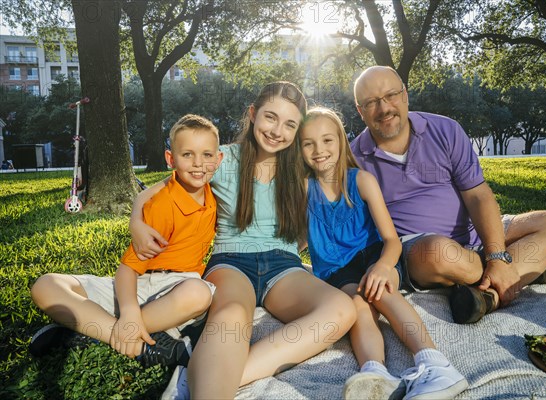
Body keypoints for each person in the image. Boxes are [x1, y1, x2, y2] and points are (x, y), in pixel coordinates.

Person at [129, 82, 356, 399]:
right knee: (232, 316)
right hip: (231, 262)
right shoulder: (222, 160)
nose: (277, 130)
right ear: (253, 114)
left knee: (342, 309)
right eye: (270, 118)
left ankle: (211, 373)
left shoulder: (301, 170)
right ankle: (211, 385)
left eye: (290, 124)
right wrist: (137, 223)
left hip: (284, 266)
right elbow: (153, 193)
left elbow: (312, 225)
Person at [350, 66, 546, 324]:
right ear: (361, 111)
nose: (384, 108)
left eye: (391, 95)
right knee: (438, 252)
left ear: (405, 95)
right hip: (419, 251)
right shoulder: (353, 160)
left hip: (473, 237)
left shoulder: (445, 130)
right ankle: (528, 270)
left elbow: (478, 196)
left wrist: (495, 255)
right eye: (371, 102)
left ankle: (489, 295)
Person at [299, 107, 468, 400]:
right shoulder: (303, 189)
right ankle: (375, 374)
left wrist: (384, 267)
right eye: (308, 143)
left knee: (380, 292)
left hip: (374, 257)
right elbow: (300, 237)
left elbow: (392, 240)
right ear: (298, 149)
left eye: (327, 140)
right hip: (335, 272)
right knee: (357, 305)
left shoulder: (361, 181)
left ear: (340, 141)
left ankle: (435, 363)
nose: (319, 150)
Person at [29, 114, 223, 367]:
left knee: (198, 294)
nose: (198, 163)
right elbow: (127, 271)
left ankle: (92, 331)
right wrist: (130, 312)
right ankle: (143, 344)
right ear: (171, 159)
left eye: (207, 155)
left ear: (218, 159)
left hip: (178, 286)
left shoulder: (214, 193)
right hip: (137, 284)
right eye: (187, 155)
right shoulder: (162, 205)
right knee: (45, 286)